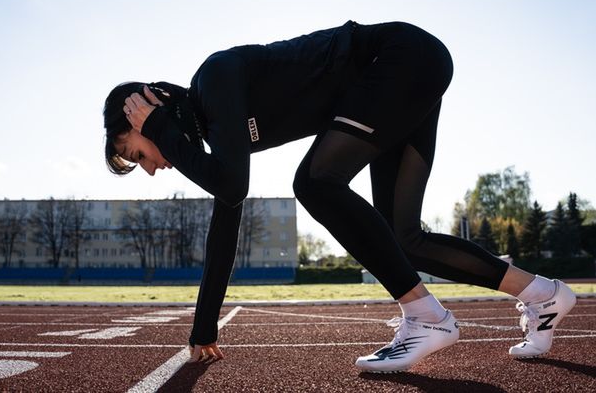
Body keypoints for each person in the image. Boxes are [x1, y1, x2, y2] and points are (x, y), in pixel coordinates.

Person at [102, 20, 576, 373]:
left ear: (145, 112)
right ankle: (545, 295)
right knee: (402, 236)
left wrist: (163, 129)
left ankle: (426, 317)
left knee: (313, 183)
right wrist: (204, 326)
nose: (149, 167)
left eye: (135, 151)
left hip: (398, 59)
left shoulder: (214, 78)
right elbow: (227, 213)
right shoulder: (214, 125)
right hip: (406, 72)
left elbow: (230, 185)